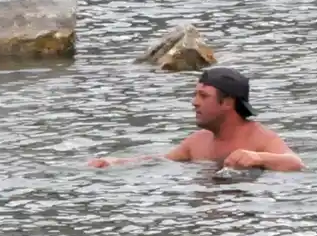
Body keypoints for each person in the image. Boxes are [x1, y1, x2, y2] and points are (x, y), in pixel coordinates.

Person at [89, 67, 305, 172]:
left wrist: (258, 158)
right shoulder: (196, 142)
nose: (194, 102)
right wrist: (116, 162)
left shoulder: (261, 138)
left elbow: (296, 164)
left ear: (227, 102)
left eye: (203, 96)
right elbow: (161, 160)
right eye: (195, 95)